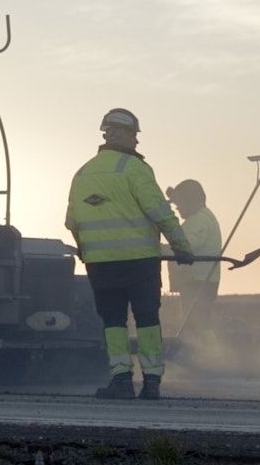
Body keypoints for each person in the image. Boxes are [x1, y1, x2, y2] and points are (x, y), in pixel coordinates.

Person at [65, 108, 195, 400]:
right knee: (147, 318)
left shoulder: (83, 173)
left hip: (101, 265)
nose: (137, 142)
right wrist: (181, 247)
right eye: (135, 135)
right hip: (140, 262)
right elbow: (161, 214)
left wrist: (88, 251)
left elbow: (73, 222)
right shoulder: (135, 169)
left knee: (113, 321)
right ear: (122, 134)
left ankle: (120, 379)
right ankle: (151, 381)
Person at [166, 179, 223, 355]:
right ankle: (200, 355)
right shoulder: (199, 218)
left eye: (180, 203)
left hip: (197, 280)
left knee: (199, 322)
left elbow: (185, 246)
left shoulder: (199, 221)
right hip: (198, 279)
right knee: (195, 322)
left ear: (191, 201)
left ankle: (213, 356)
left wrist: (156, 248)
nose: (177, 208)